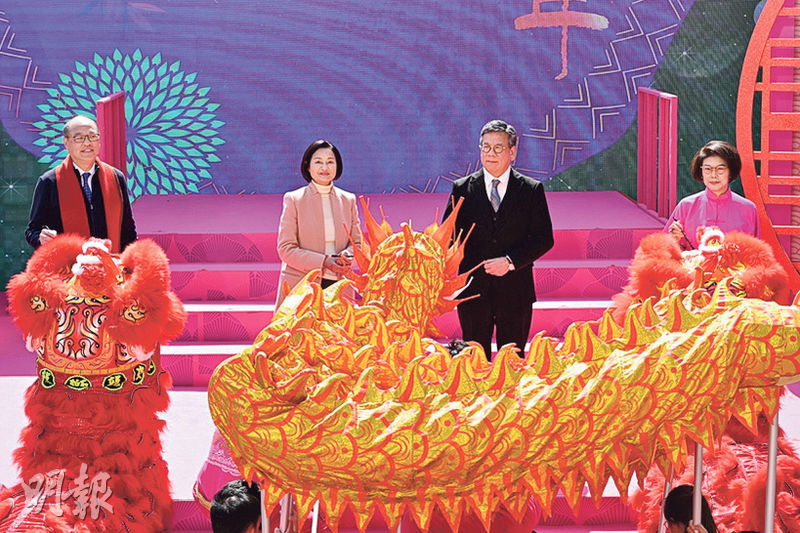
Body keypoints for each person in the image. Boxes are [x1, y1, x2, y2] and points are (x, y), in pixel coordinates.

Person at [443, 119, 554, 359]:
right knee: (474, 361)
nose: (490, 153)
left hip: (515, 290)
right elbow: (447, 238)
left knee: (512, 362)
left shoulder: (530, 189)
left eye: (498, 148)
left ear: (512, 152)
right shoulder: (462, 188)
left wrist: (510, 261)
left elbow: (544, 238)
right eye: (486, 147)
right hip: (473, 290)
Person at [25, 115, 137, 253]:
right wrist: (40, 238)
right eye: (79, 138)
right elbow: (32, 230)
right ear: (66, 142)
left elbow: (128, 229)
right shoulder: (50, 182)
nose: (87, 143)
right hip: (69, 265)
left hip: (112, 263)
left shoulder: (116, 178)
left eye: (92, 136)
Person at [276, 139, 363, 306]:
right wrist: (323, 262)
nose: (325, 167)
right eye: (318, 162)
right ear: (308, 166)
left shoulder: (348, 200)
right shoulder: (294, 199)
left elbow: (357, 244)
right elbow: (286, 248)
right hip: (302, 285)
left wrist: (347, 256)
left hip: (339, 285)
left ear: (337, 166)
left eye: (330, 162)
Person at [665, 141, 757, 250]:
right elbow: (664, 250)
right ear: (701, 172)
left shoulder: (748, 209)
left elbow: (756, 253)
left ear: (731, 171)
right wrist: (674, 240)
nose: (713, 175)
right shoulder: (685, 206)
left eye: (720, 169)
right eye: (707, 169)